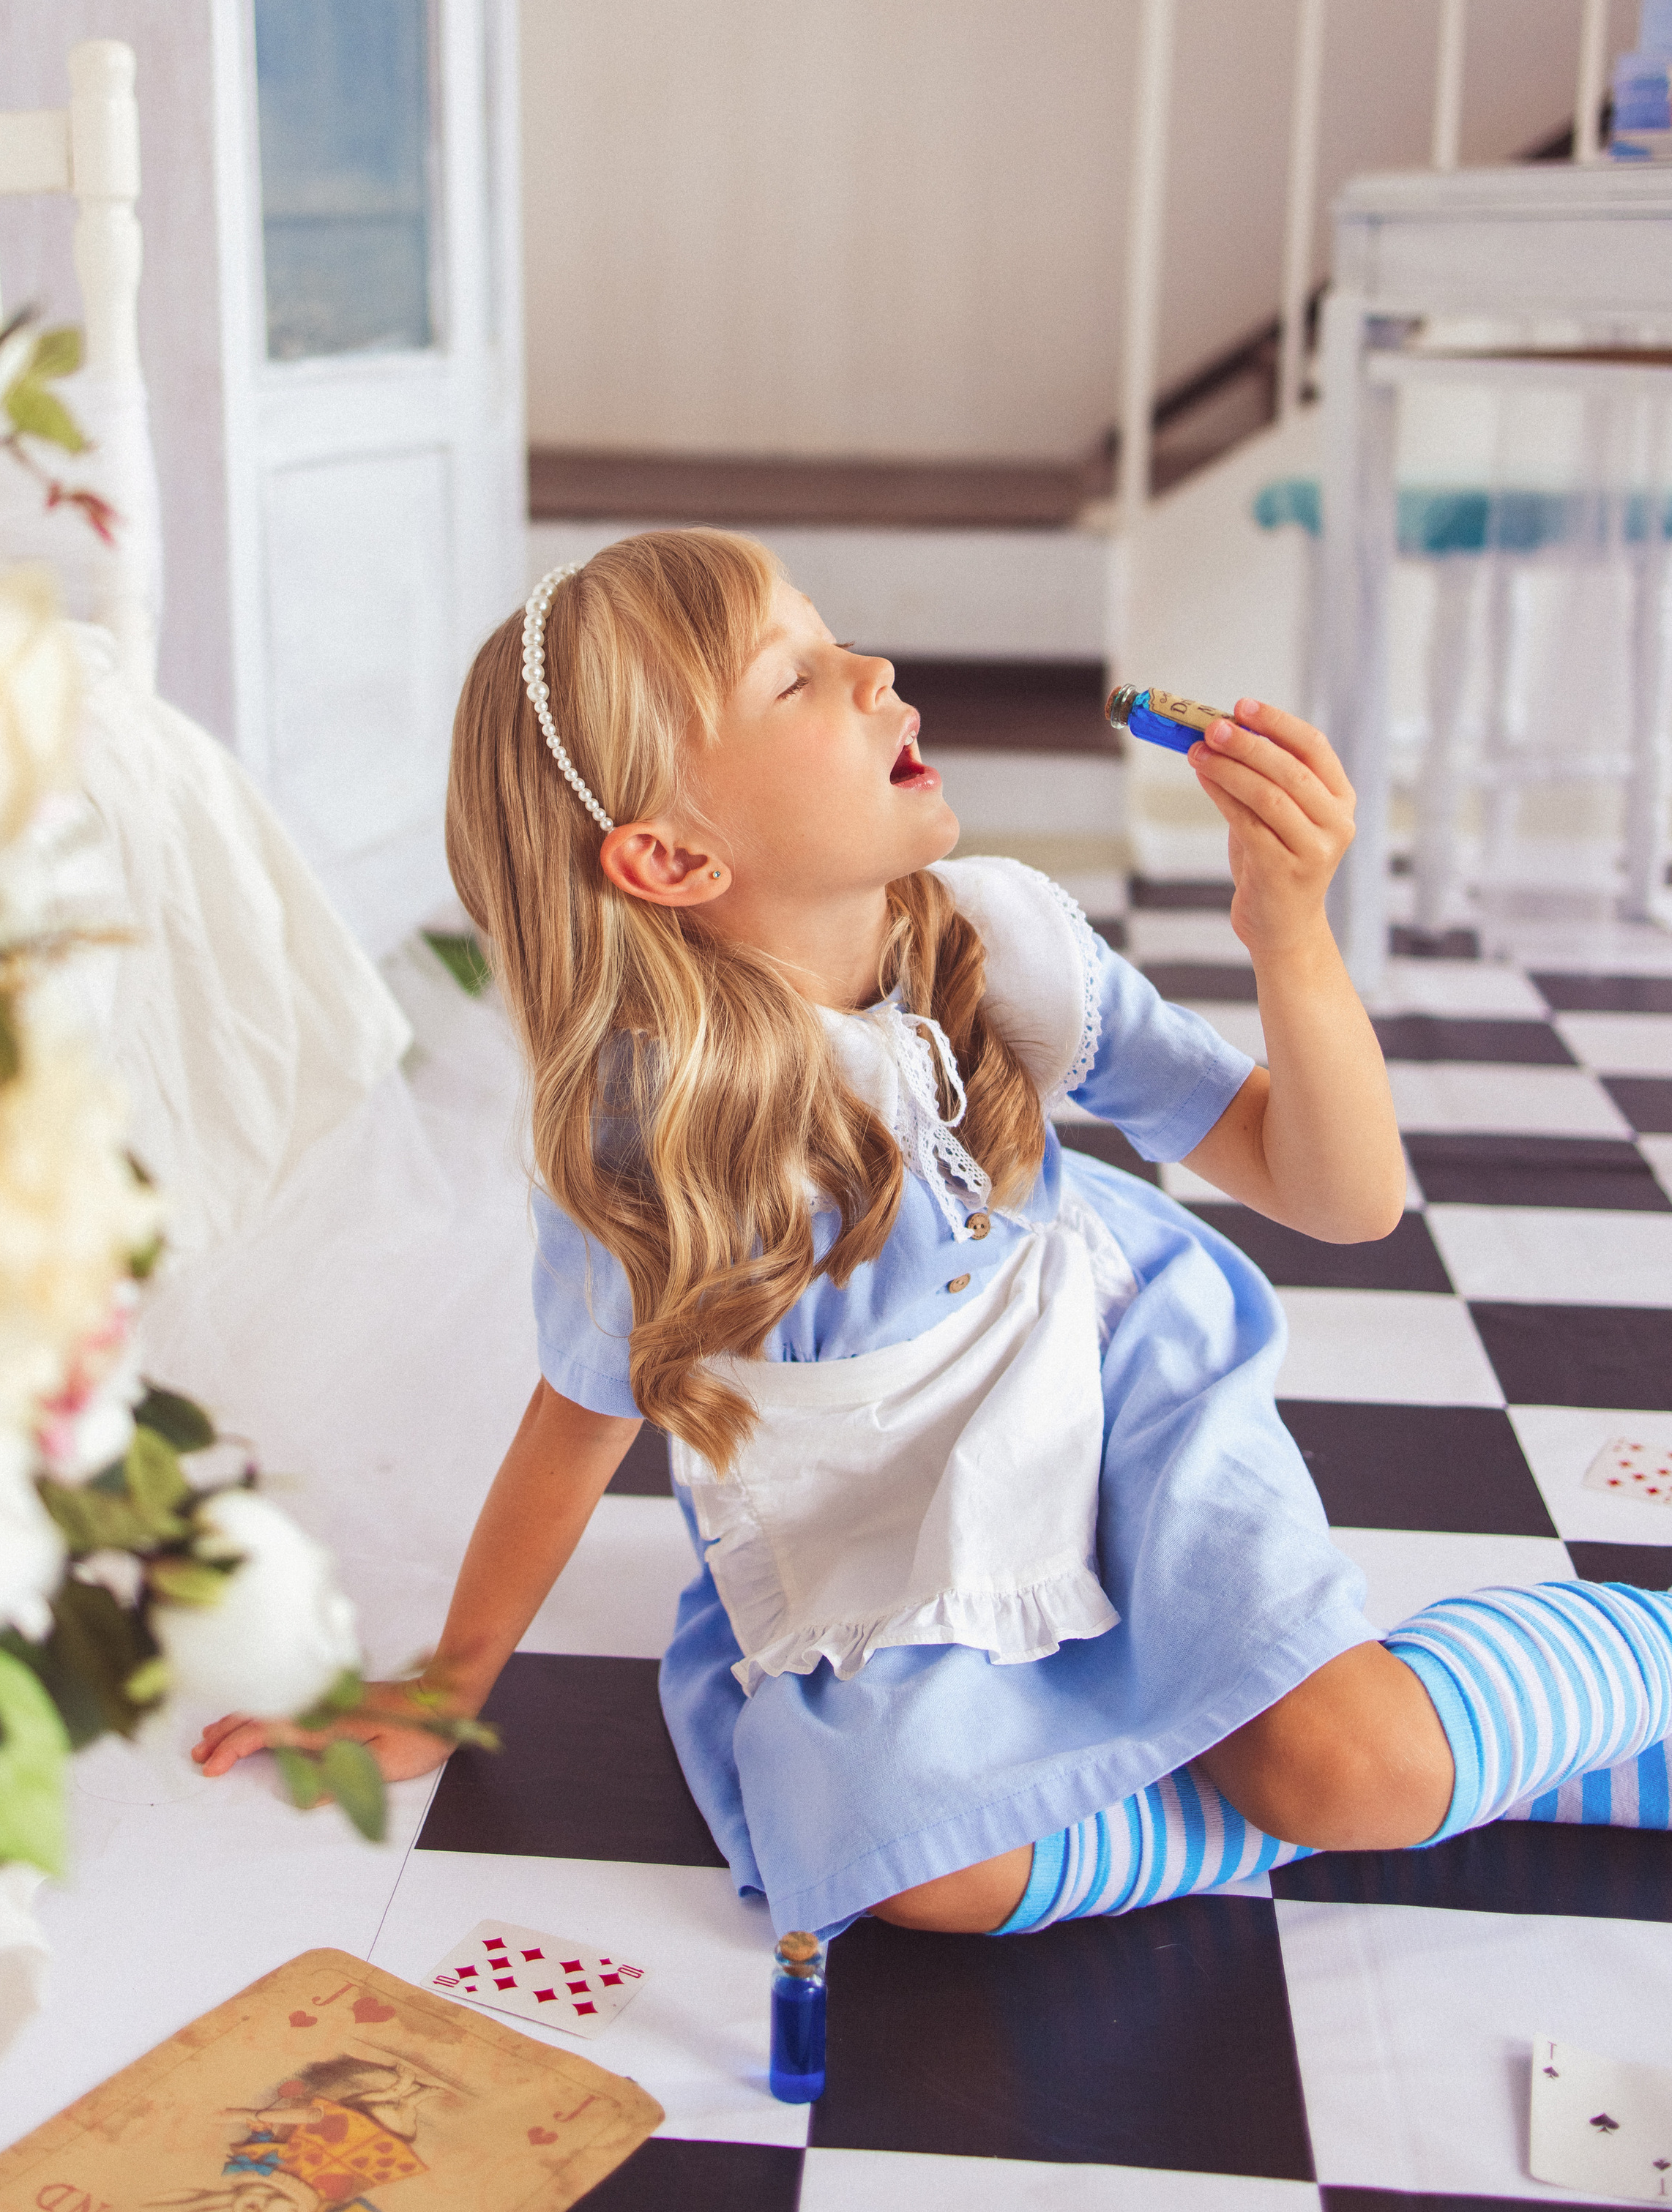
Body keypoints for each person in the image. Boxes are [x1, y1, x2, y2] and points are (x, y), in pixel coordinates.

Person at [194, 531, 1672, 1939]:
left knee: (1355, 1773)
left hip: (1117, 1385)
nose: (874, 669)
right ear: (673, 859)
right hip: (882, 1500)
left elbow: (1344, 1199)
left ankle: (1588, 1685)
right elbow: (577, 1421)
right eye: (795, 677)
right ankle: (1432, 1754)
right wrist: (443, 1692)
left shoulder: (1001, 940)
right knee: (926, 1877)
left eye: (831, 638)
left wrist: (1288, 928)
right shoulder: (638, 1132)